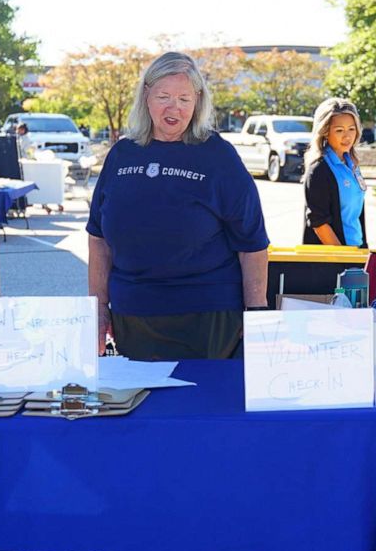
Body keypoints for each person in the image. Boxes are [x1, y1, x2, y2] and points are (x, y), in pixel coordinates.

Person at [87, 51, 269, 361]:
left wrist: (256, 313)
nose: (175, 108)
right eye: (164, 97)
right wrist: (98, 308)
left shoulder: (218, 157)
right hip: (133, 317)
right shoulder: (122, 155)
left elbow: (252, 242)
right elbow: (98, 239)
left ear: (198, 100)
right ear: (146, 95)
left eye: (185, 99)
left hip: (207, 320)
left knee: (201, 406)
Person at [302, 97, 368, 248]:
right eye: (339, 130)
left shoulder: (353, 165)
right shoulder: (318, 170)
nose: (347, 136)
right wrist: (342, 259)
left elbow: (355, 216)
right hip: (334, 259)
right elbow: (319, 223)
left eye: (352, 129)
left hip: (356, 251)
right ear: (325, 132)